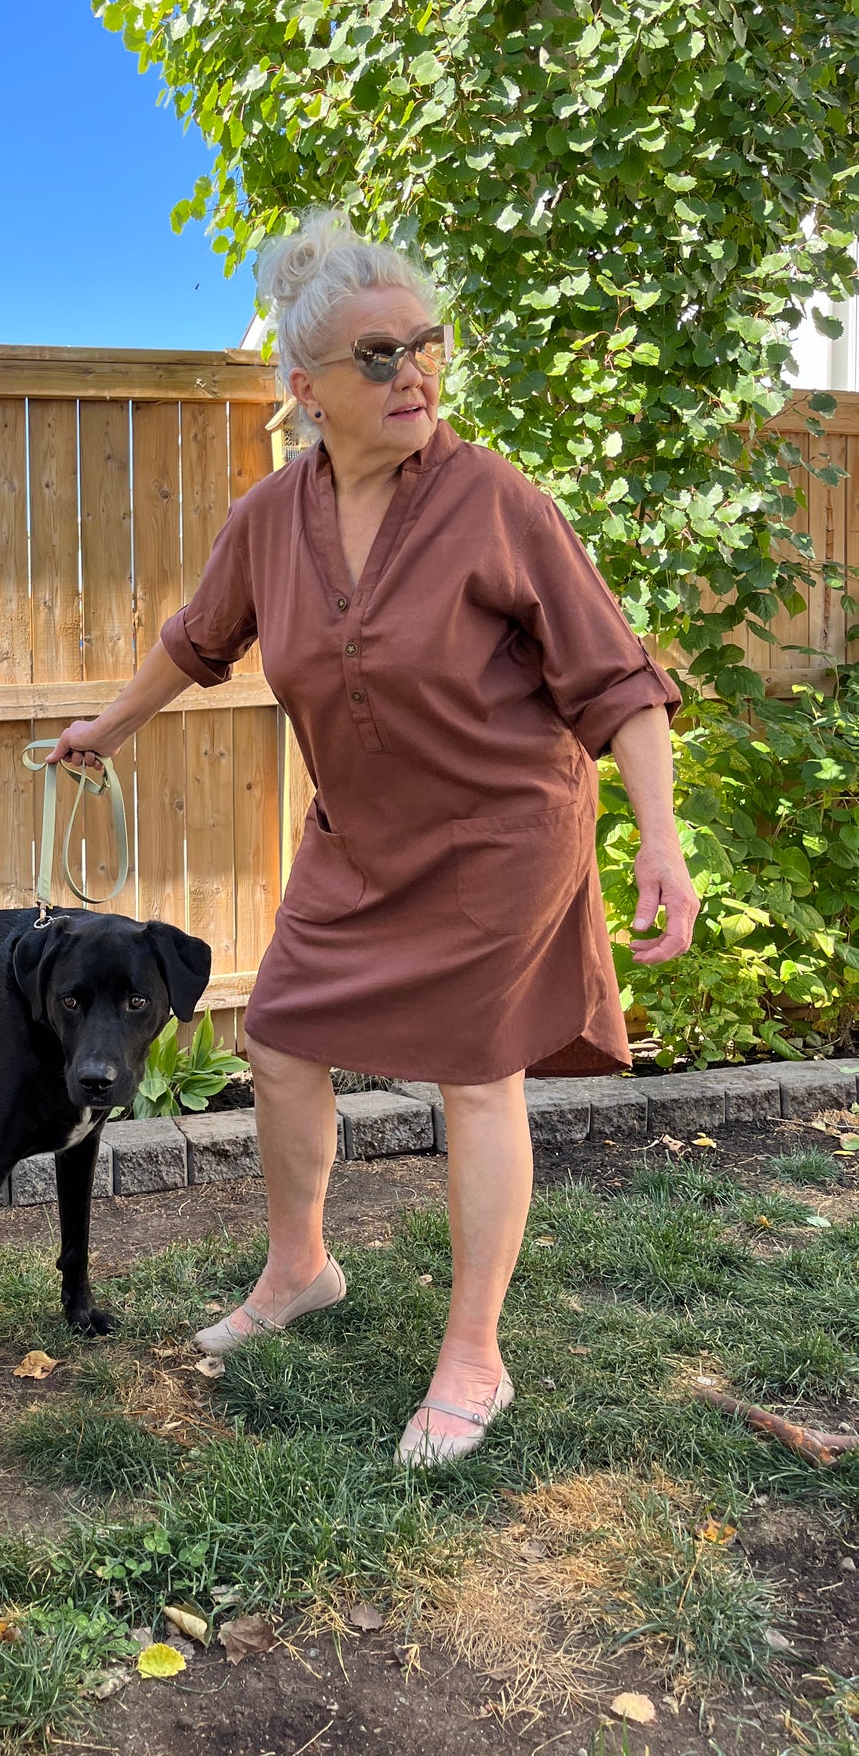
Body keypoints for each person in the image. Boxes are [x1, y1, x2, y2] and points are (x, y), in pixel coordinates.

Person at [49, 209, 698, 1466]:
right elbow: (198, 636)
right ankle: (299, 1268)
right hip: (355, 840)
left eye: (424, 347)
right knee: (279, 1037)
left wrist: (657, 839)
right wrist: (108, 730)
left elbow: (615, 679)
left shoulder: (491, 499)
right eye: (377, 357)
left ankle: (473, 1355)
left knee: (474, 1076)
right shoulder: (271, 517)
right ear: (306, 389)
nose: (414, 376)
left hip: (502, 833)